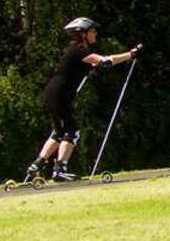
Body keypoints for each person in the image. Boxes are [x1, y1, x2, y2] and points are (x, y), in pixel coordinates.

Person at [29, 17, 140, 182]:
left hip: (54, 93)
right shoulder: (79, 50)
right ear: (83, 34)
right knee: (72, 132)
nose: (95, 33)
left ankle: (36, 166)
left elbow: (95, 65)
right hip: (60, 94)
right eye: (92, 31)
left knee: (60, 132)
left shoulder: (77, 50)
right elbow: (105, 61)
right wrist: (130, 54)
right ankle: (59, 170)